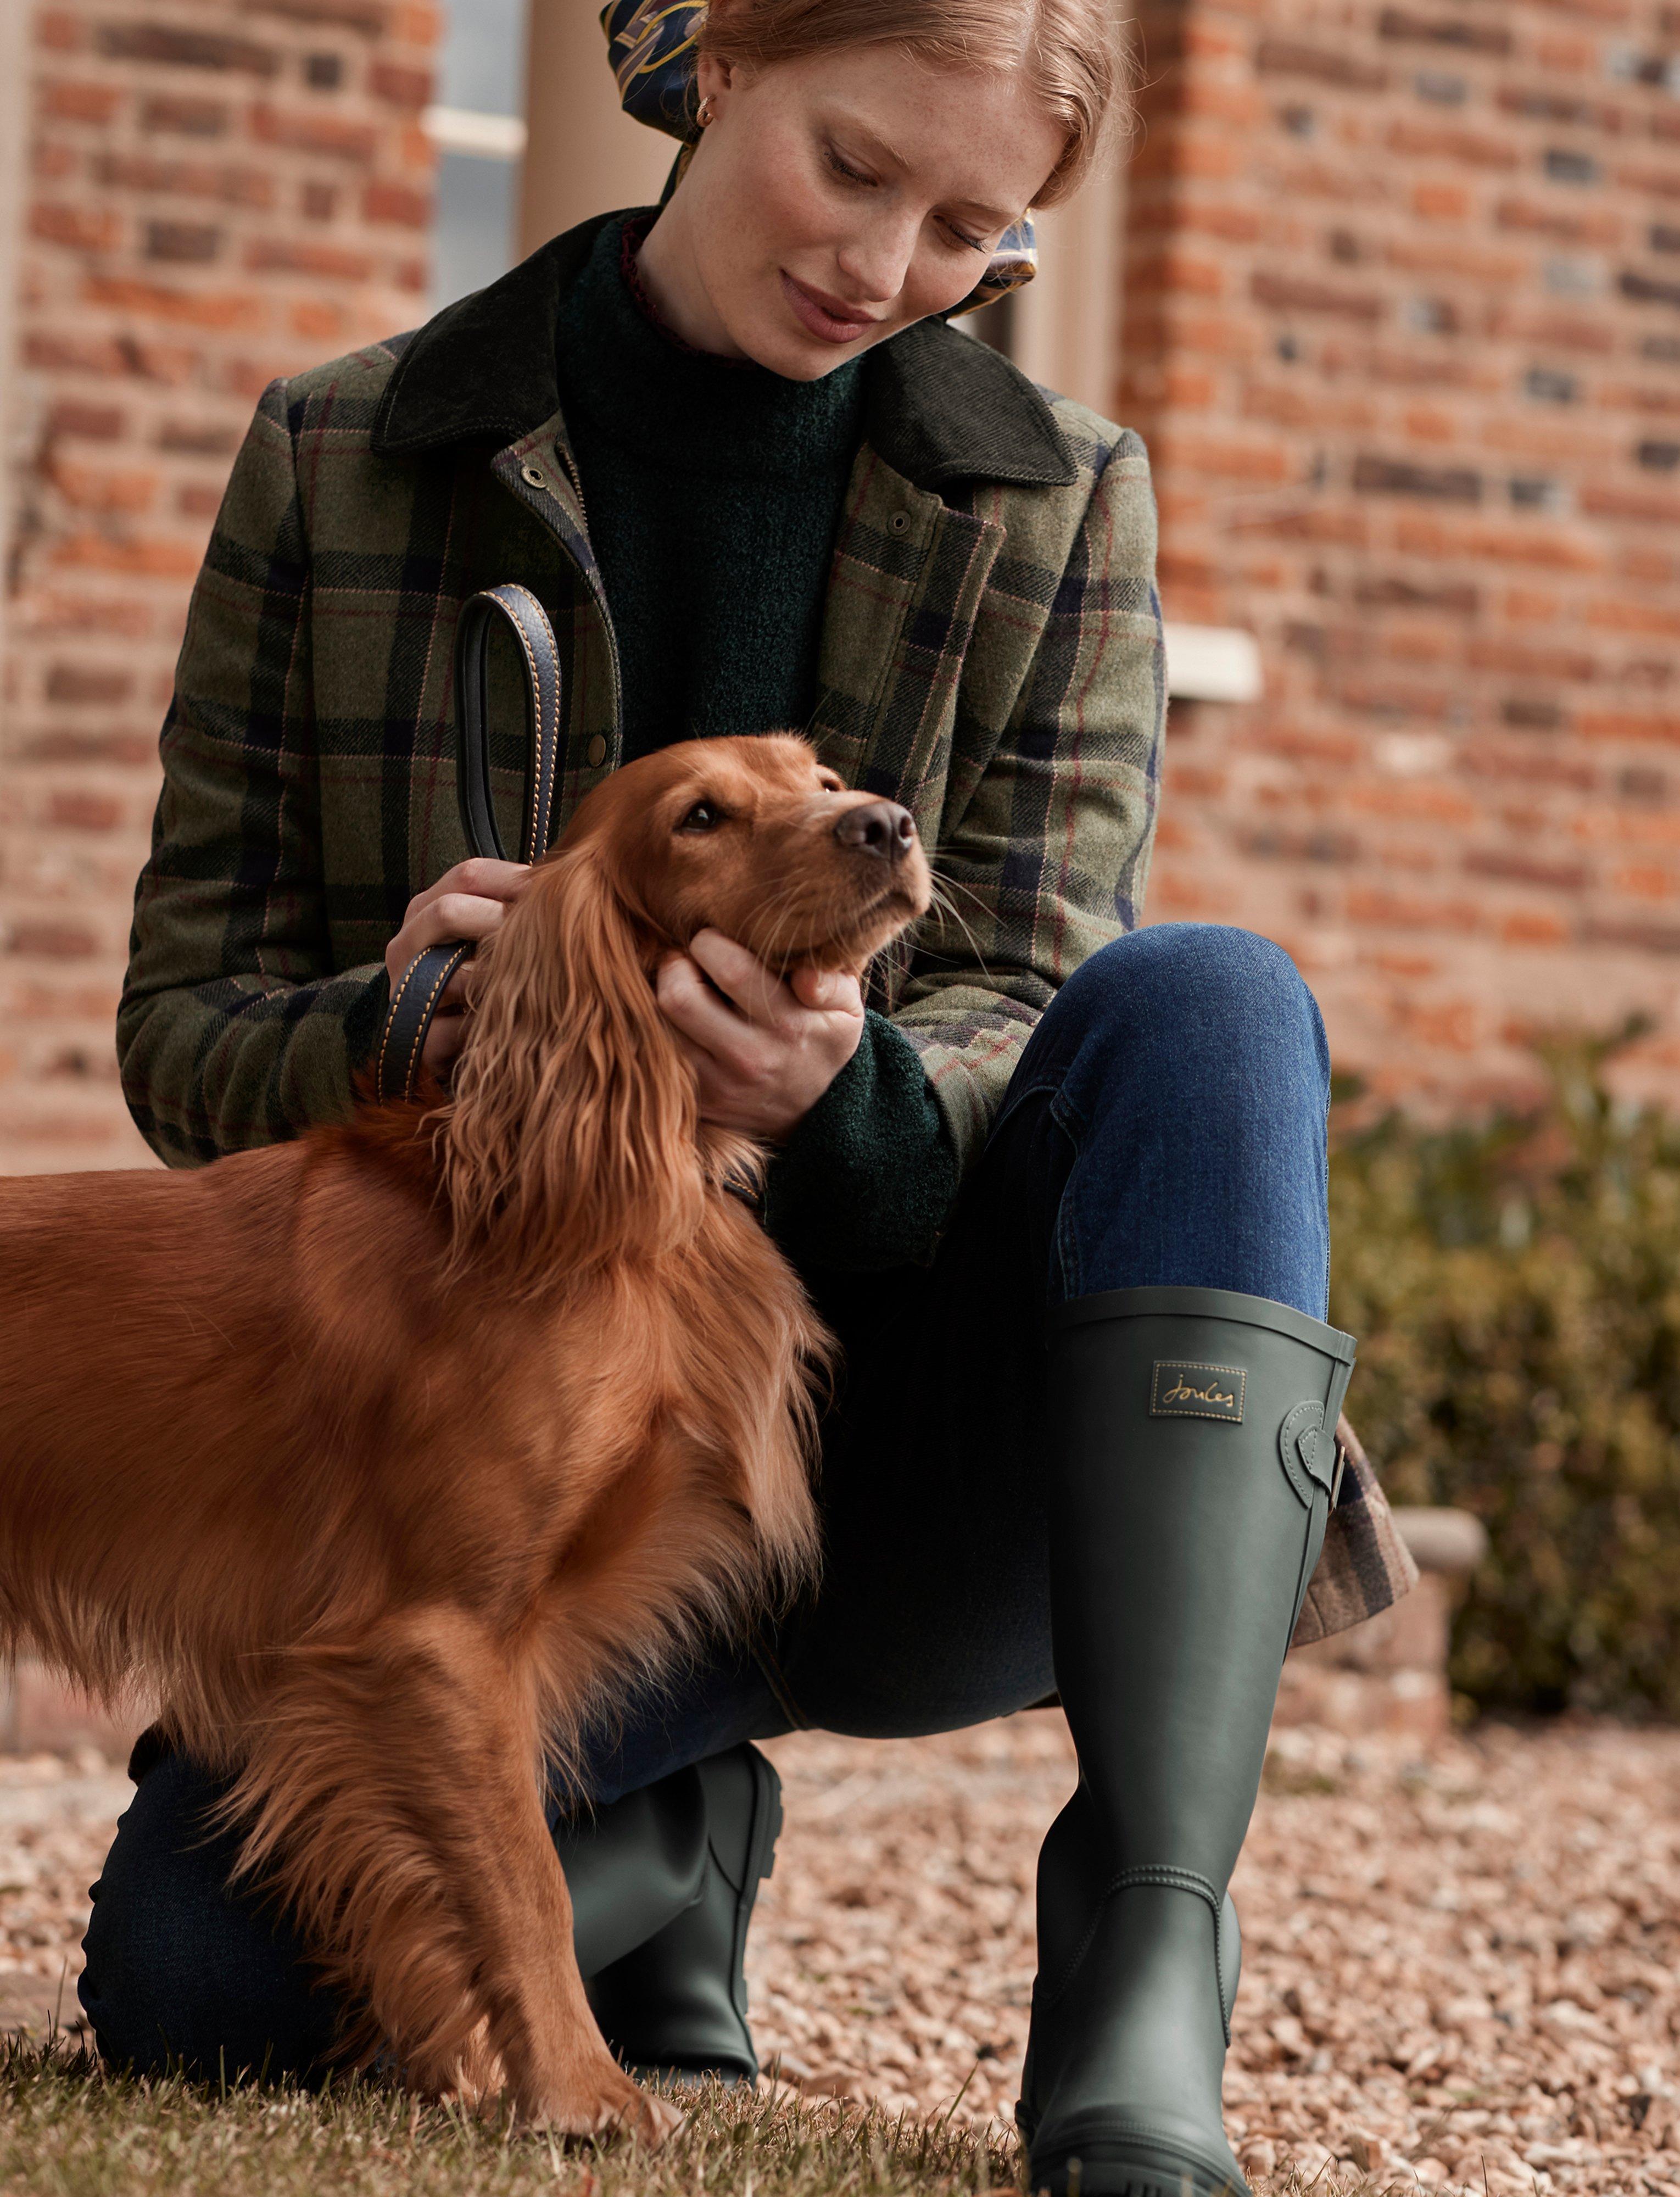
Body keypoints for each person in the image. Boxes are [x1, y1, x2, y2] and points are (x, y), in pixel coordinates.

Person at [77, 2, 1413, 2190]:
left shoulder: (1060, 497)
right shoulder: (345, 453)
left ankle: (1146, 1968)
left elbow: (1026, 995)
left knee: (1211, 1005)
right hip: (522, 1455)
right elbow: (181, 1031)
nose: (887, 267)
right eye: (854, 168)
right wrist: (409, 1020)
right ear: (718, 68)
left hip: (902, 1463)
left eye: (971, 230)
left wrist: (840, 1094)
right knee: (203, 1999)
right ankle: (655, 1838)